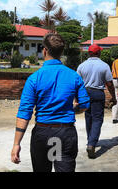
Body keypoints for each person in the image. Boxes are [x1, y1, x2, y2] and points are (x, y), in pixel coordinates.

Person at [11, 33, 90, 172]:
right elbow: (84, 105)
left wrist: (16, 143)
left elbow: (24, 113)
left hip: (42, 132)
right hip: (66, 132)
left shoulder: (34, 78)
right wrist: (72, 110)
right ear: (61, 52)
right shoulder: (74, 76)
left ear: (45, 50)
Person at [77, 44, 116, 159]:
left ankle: (91, 139)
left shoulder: (81, 66)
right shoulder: (104, 66)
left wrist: (76, 97)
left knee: (88, 117)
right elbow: (109, 84)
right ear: (98, 53)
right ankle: (91, 143)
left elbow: (77, 83)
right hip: (98, 93)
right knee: (97, 119)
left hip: (85, 93)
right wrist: (113, 97)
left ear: (89, 53)